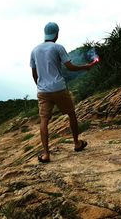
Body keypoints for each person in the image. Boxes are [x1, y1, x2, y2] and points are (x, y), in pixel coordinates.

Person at [30, 22, 98, 163]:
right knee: (71, 114)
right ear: (57, 33)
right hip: (59, 88)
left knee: (44, 121)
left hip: (43, 90)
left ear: (45, 33)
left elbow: (34, 73)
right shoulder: (58, 47)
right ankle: (77, 143)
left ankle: (46, 155)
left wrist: (40, 85)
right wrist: (86, 67)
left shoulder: (34, 50)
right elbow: (70, 67)